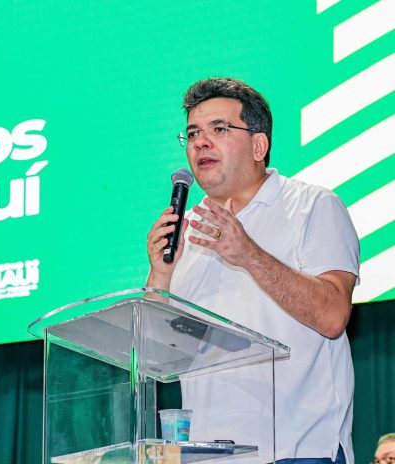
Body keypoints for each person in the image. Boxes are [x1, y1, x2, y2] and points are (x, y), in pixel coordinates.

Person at [146, 78, 359, 463]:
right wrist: (160, 276)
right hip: (208, 455)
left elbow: (332, 316)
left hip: (297, 451)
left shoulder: (312, 206)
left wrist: (248, 254)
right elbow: (156, 360)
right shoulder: (186, 231)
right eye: (192, 133)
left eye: (219, 129)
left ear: (259, 146)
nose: (200, 143)